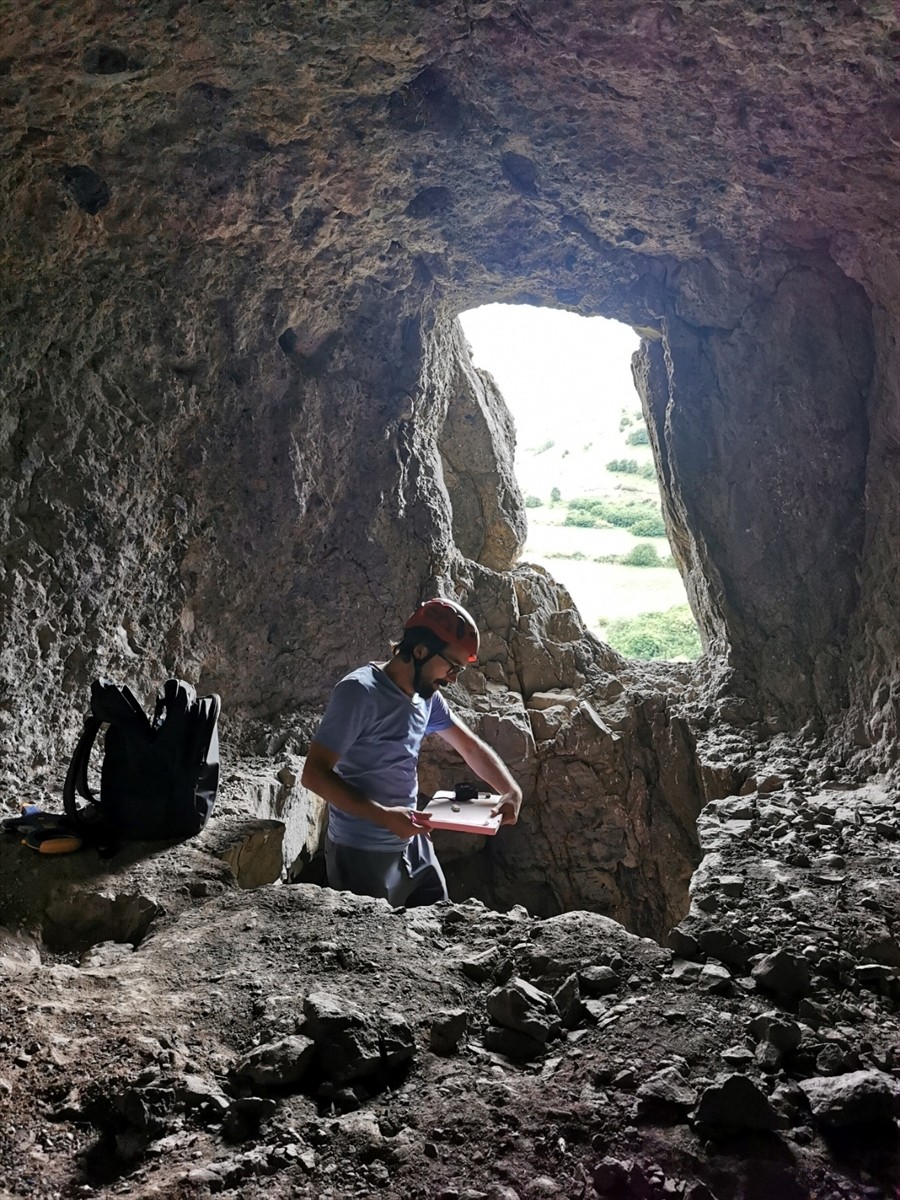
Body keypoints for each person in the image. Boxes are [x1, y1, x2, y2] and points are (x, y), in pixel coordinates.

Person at [301, 597, 523, 907]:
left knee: (441, 925)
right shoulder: (359, 693)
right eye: (452, 666)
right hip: (361, 851)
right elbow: (313, 775)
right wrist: (384, 816)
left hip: (413, 841)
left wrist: (510, 790)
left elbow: (469, 746)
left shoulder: (426, 697)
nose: (453, 678)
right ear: (420, 651)